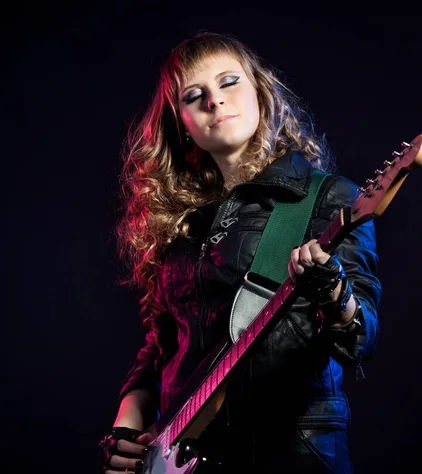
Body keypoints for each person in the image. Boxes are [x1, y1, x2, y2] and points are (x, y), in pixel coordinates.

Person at [98, 31, 382, 474]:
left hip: (290, 453)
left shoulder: (326, 199)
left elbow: (359, 341)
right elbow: (161, 346)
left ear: (261, 95)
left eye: (229, 82)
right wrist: (126, 428)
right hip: (183, 460)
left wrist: (332, 290)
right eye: (195, 95)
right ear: (183, 126)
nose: (215, 101)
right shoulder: (180, 224)